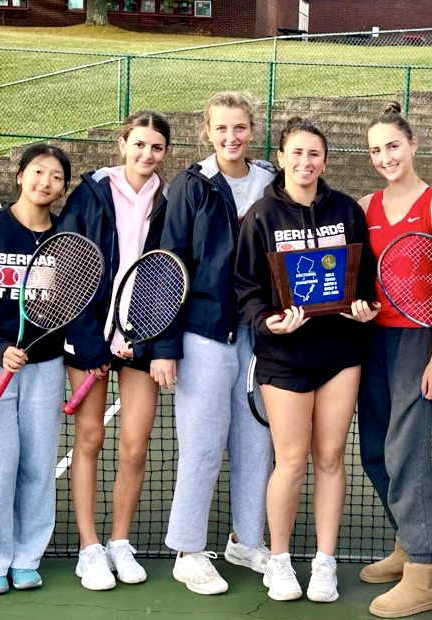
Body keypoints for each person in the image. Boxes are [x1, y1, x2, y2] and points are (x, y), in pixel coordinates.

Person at [235, 116, 379, 604]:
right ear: (279, 157)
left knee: (332, 458)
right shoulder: (259, 216)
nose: (304, 162)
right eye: (296, 153)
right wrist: (266, 321)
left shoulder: (346, 211)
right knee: (291, 460)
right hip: (284, 355)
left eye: (313, 154)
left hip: (341, 352)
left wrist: (364, 307)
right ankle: (279, 561)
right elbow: (246, 289)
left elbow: (364, 280)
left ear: (325, 160)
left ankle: (324, 562)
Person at [156, 92, 276, 595]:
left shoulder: (272, 179)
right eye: (222, 128)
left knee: (257, 444)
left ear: (253, 130)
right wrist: (163, 345)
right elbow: (169, 261)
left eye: (241, 128)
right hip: (205, 333)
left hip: (262, 336)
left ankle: (246, 541)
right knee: (202, 447)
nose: (232, 137)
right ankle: (187, 550)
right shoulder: (191, 185)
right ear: (208, 131)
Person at [59, 110, 172, 591]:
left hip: (142, 337)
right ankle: (89, 547)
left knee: (134, 446)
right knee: (89, 439)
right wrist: (92, 341)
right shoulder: (89, 193)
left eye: (157, 147)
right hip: (88, 338)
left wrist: (139, 333)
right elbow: (68, 266)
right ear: (123, 144)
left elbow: (168, 273)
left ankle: (119, 542)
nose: (147, 155)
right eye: (139, 144)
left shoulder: (169, 198)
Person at [0, 144, 72, 595]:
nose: (46, 182)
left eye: (56, 177)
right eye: (38, 172)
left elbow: (72, 306)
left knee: (39, 465)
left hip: (45, 367)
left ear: (63, 187)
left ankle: (27, 557)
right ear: (20, 176)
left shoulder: (66, 238)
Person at [355, 101, 432, 618]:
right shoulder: (367, 203)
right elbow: (362, 277)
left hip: (420, 340)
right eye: (376, 150)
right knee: (374, 448)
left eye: (393, 145)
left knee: (406, 450)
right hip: (374, 341)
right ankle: (406, 540)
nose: (385, 156)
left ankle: (425, 570)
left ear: (413, 145)